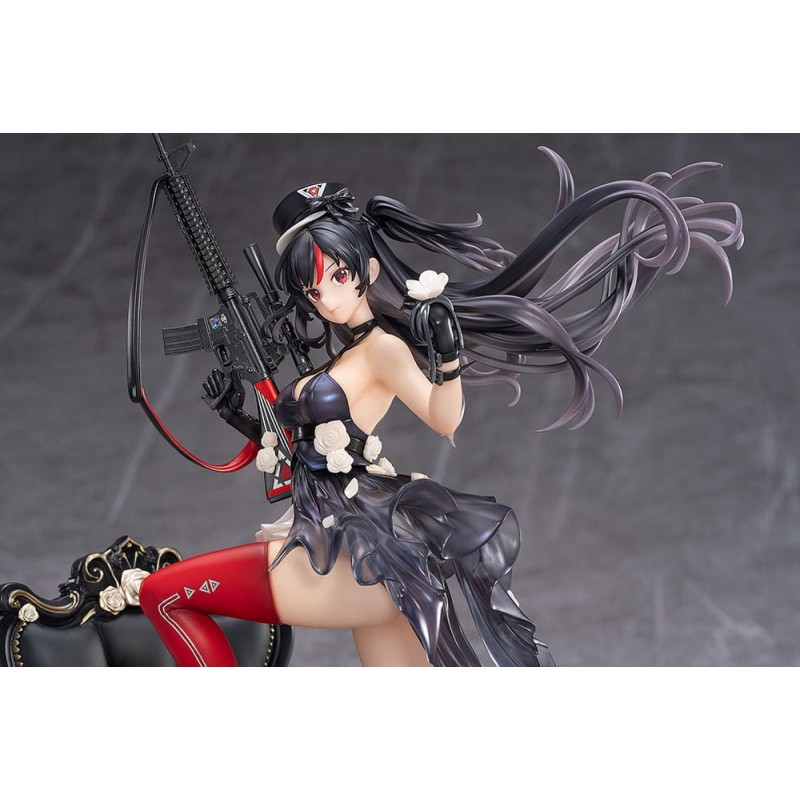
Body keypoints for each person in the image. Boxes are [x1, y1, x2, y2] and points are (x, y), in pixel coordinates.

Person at [139, 150, 742, 667]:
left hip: (350, 553)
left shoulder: (381, 350)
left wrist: (448, 359)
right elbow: (299, 451)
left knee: (164, 595)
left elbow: (443, 416)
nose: (326, 296)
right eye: (313, 288)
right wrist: (236, 414)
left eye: (338, 275)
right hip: (348, 546)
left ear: (368, 270)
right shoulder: (341, 361)